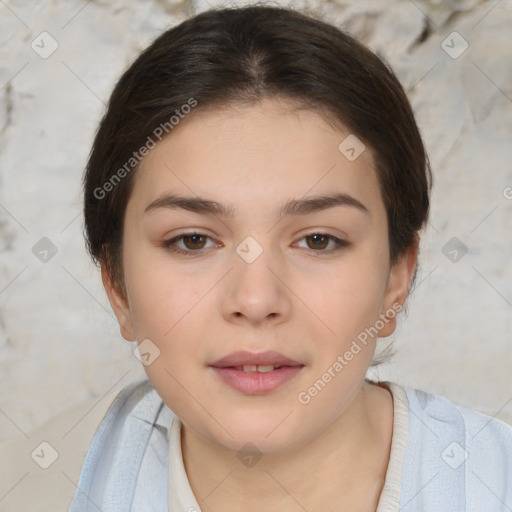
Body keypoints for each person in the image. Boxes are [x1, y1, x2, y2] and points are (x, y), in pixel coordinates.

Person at [1, 3, 511, 511]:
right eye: (193, 240)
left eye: (318, 240)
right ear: (117, 283)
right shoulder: (28, 489)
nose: (256, 299)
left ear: (398, 275)